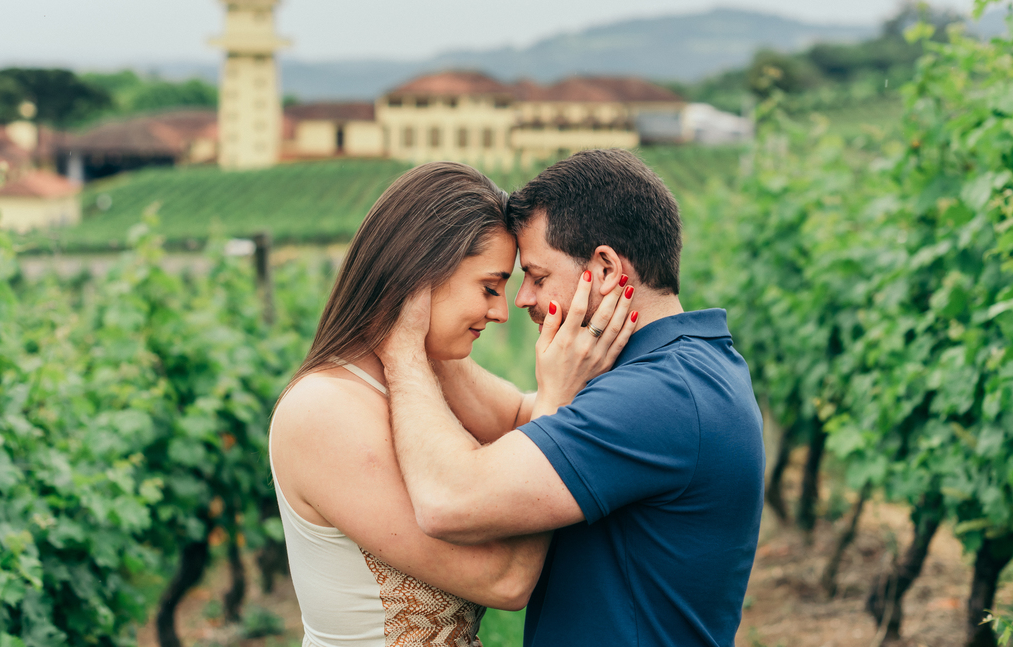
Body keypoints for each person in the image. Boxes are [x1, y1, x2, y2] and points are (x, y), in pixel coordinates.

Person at [378, 149, 766, 647]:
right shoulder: (681, 369)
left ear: (604, 269)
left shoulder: (660, 396)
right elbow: (520, 420)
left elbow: (448, 501)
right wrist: (431, 321)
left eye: (537, 277)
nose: (523, 299)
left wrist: (403, 351)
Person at [268, 161, 638, 647]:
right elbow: (504, 579)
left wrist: (609, 382)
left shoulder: (422, 371)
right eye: (489, 287)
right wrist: (557, 400)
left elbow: (518, 422)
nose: (502, 311)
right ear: (418, 276)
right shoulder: (324, 411)